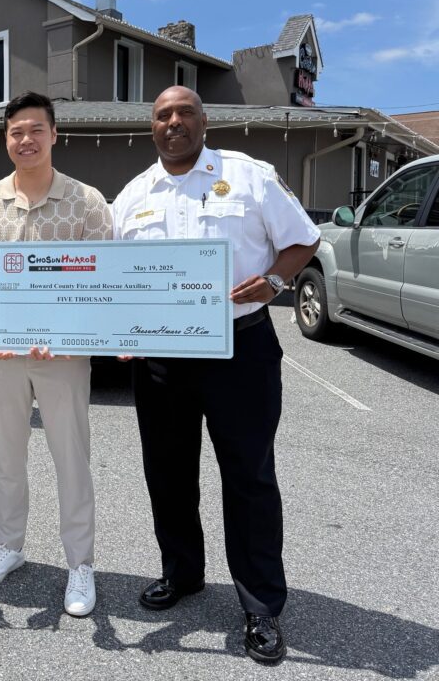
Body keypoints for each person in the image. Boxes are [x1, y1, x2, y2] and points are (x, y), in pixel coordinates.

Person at [112, 86, 320, 665]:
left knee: (249, 477)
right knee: (168, 472)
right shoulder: (130, 198)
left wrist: (276, 282)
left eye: (185, 113)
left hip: (240, 348)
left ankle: (260, 605)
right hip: (161, 359)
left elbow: (304, 238)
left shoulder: (249, 176)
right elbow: (115, 280)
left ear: (205, 121)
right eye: (163, 115)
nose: (174, 122)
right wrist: (118, 332)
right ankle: (183, 574)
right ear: (150, 127)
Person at [0, 91, 113, 618]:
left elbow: (100, 280)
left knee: (71, 458)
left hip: (64, 354)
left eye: (35, 129)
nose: (25, 140)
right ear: (6, 139)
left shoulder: (87, 201)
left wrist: (67, 328)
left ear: (54, 134)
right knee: (8, 455)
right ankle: (9, 546)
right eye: (15, 132)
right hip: (0, 352)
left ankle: (80, 563)